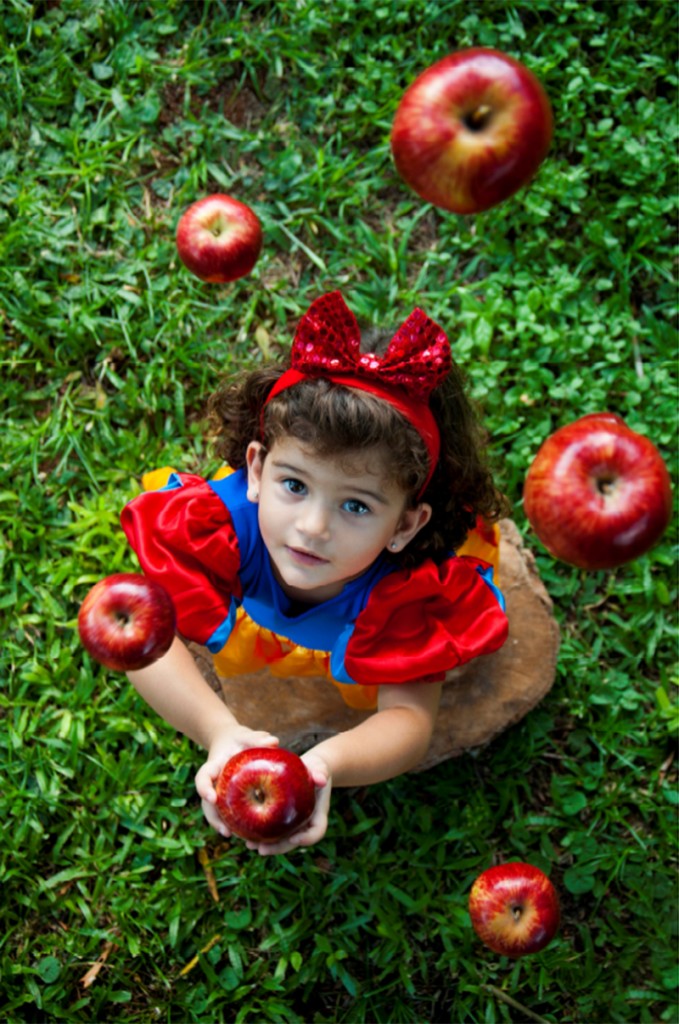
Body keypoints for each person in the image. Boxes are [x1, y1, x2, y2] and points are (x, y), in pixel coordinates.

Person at [120, 291, 510, 855]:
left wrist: (323, 766)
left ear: (405, 523)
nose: (311, 527)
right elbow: (143, 641)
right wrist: (219, 731)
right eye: (295, 485)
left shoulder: (410, 593)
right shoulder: (215, 530)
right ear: (256, 469)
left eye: (355, 506)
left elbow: (408, 720)